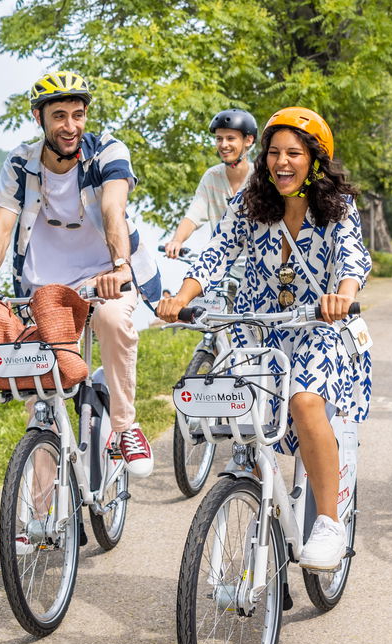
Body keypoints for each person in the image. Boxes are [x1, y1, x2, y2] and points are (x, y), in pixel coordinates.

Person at [155, 107, 370, 570]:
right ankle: (253, 489)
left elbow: (352, 259)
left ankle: (330, 522)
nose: (282, 162)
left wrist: (342, 296)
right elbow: (216, 253)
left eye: (294, 152)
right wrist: (181, 296)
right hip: (258, 330)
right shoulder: (249, 204)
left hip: (320, 328)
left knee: (305, 402)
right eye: (274, 152)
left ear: (315, 159)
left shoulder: (338, 208)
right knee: (236, 416)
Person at [0, 71, 165, 477]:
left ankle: (126, 428)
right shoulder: (20, 163)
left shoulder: (108, 152)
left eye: (78, 115)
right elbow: (2, 224)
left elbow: (113, 208)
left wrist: (118, 267)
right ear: (39, 118)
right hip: (45, 289)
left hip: (107, 275)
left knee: (113, 320)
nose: (70, 126)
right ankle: (37, 522)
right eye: (59, 116)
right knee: (40, 400)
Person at [164, 108, 258, 258]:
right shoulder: (212, 176)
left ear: (248, 140)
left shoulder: (261, 178)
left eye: (230, 138)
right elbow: (193, 215)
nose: (223, 144)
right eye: (219, 139)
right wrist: (177, 240)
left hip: (260, 265)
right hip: (222, 264)